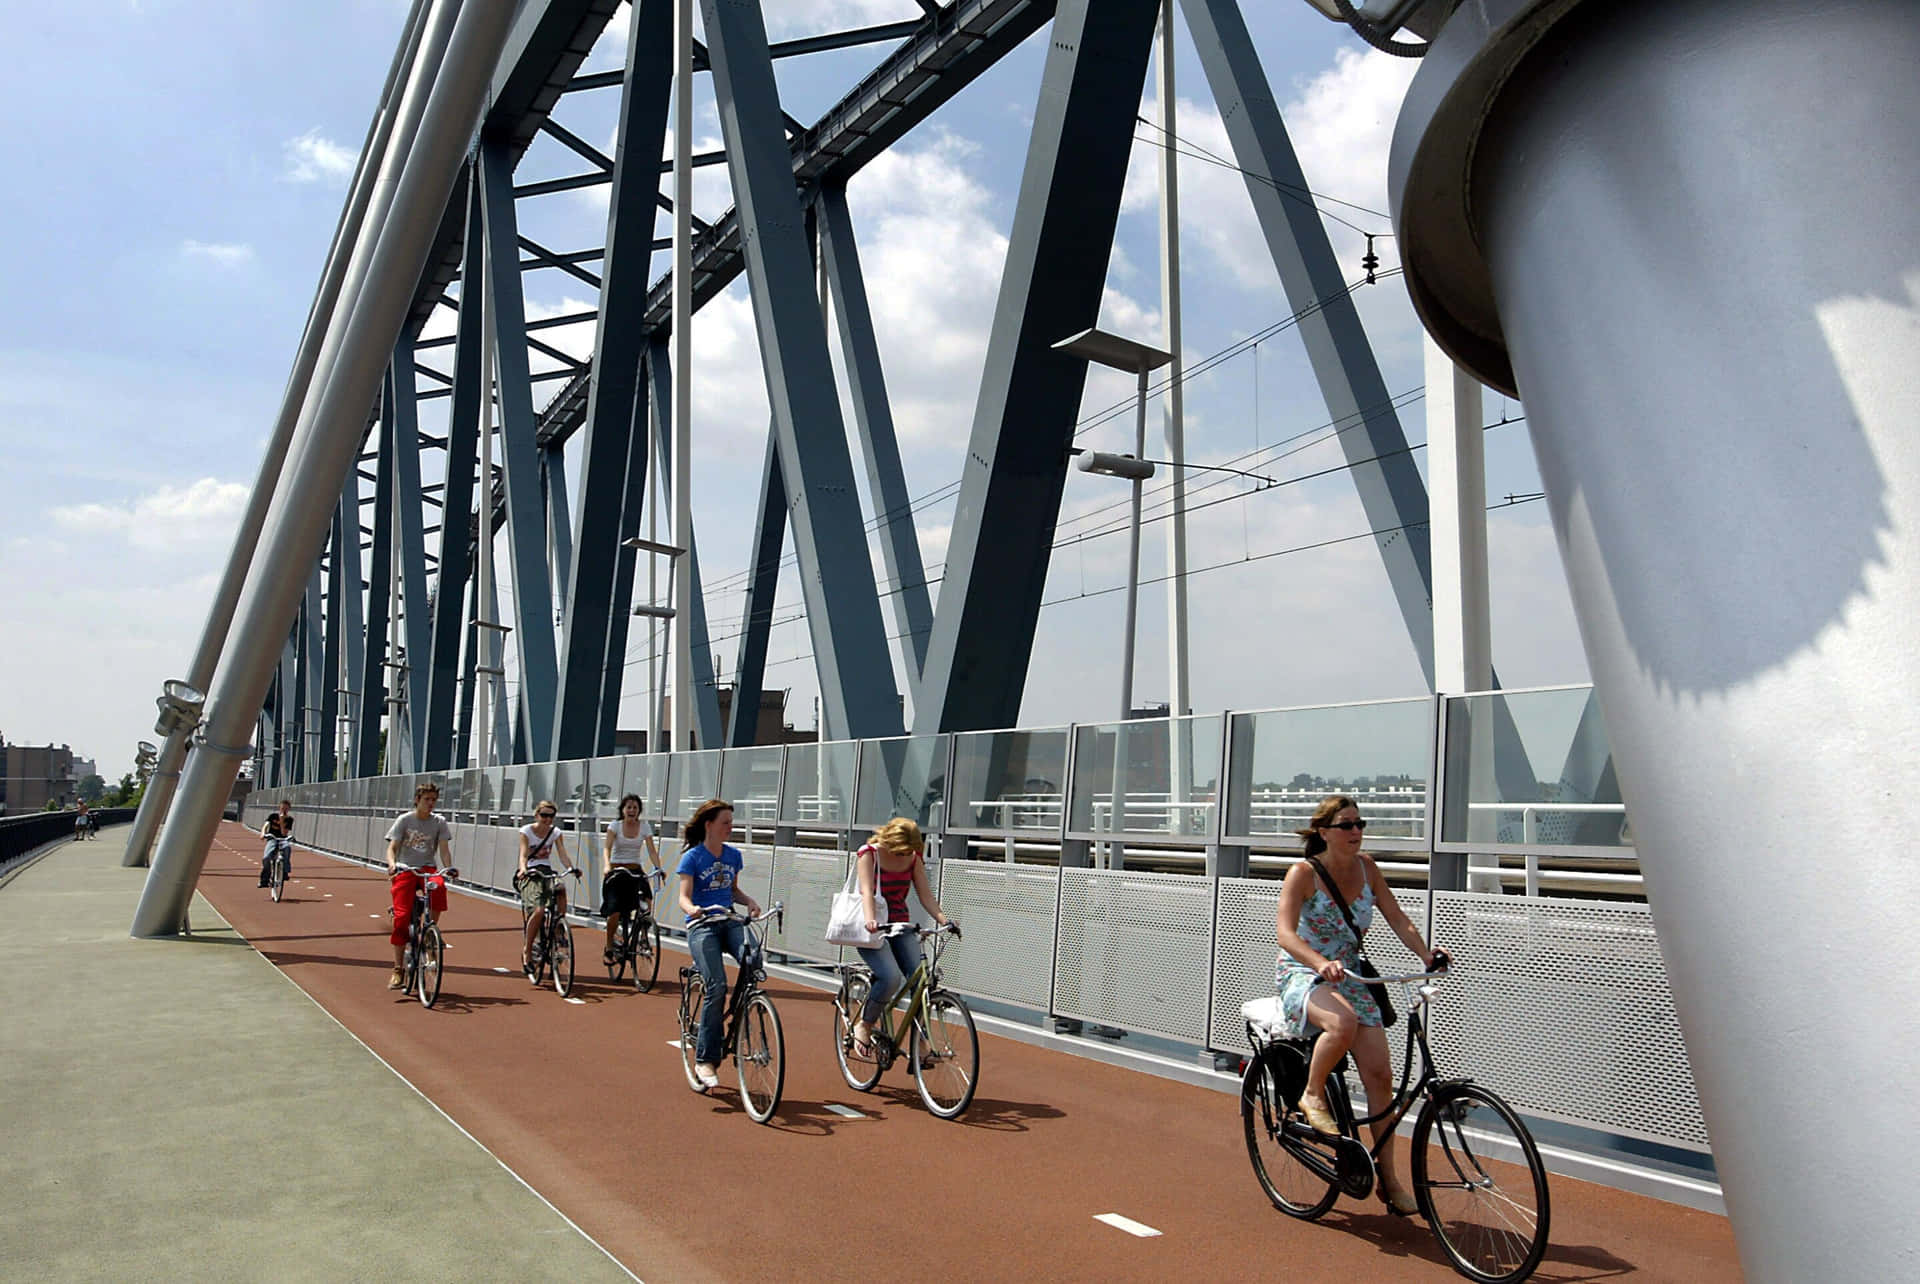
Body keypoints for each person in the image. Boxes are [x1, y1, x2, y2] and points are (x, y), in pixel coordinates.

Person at [1274, 795, 1448, 1217]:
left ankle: (1389, 1180)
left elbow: (1397, 917)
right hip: (1304, 973)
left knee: (1380, 1078)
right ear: (1324, 832)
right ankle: (1312, 1095)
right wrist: (1319, 962)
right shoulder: (1303, 873)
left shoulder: (1369, 869)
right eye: (1346, 825)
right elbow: (1285, 934)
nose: (1355, 832)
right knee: (1342, 1023)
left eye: (1359, 824)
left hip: (1350, 974)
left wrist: (1426, 955)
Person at [849, 817, 956, 1060]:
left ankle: (919, 1042)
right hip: (871, 928)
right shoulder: (869, 854)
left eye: (910, 850)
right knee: (890, 978)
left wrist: (944, 920)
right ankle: (864, 1025)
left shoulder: (913, 858)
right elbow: (866, 890)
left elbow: (926, 896)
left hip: (900, 923)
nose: (906, 854)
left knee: (921, 984)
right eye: (902, 850)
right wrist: (870, 919)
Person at [675, 797, 762, 1091]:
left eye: (731, 822)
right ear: (709, 825)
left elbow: (732, 889)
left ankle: (740, 1013)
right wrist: (692, 910)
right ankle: (705, 1059)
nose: (730, 827)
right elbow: (683, 896)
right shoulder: (693, 857)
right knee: (716, 985)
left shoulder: (733, 855)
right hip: (702, 925)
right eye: (725, 822)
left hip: (728, 920)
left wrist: (749, 901)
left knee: (754, 960)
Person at [385, 782, 456, 991]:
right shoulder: (405, 820)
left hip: (428, 868)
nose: (431, 804)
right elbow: (393, 847)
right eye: (427, 799)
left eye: (434, 800)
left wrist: (449, 868)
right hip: (405, 868)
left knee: (439, 887)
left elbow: (444, 850)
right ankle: (398, 969)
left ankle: (430, 930)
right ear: (417, 800)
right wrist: (392, 865)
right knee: (401, 918)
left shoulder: (439, 822)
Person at [515, 800, 581, 984]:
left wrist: (571, 867)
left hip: (547, 870)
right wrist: (523, 869)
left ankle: (559, 926)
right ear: (537, 815)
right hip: (531, 872)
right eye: (544, 815)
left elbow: (561, 853)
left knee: (560, 888)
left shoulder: (555, 832)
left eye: (551, 816)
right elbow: (523, 854)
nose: (547, 819)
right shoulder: (526, 831)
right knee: (539, 910)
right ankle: (527, 951)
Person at [601, 793, 665, 967]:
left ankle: (643, 936)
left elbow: (651, 851)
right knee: (614, 911)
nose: (631, 810)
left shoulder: (644, 827)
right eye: (628, 807)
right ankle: (608, 947)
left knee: (646, 900)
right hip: (617, 870)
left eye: (635, 807)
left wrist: (659, 868)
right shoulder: (615, 826)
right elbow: (607, 848)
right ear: (623, 810)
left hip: (635, 870)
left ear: (639, 811)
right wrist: (607, 866)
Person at [258, 799, 294, 887]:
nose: (284, 811)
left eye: (286, 809)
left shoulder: (289, 819)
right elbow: (266, 825)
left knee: (287, 848)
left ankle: (285, 871)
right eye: (282, 808)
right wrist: (263, 833)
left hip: (282, 839)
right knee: (267, 857)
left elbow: (284, 833)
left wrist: (282, 821)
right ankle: (264, 880)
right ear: (280, 808)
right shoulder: (273, 816)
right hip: (272, 838)